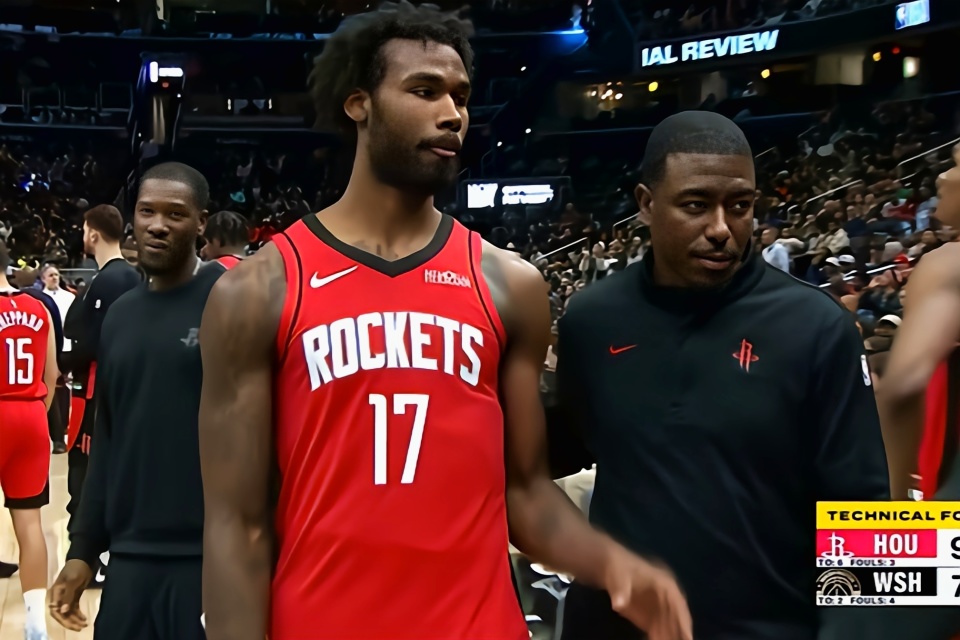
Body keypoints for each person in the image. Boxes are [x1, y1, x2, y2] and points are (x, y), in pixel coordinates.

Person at [197, 5, 691, 640]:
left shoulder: (510, 285)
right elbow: (236, 525)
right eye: (425, 91)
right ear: (359, 104)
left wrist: (615, 565)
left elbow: (525, 494)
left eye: (460, 96)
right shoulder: (258, 290)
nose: (453, 113)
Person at [549, 111, 889, 640]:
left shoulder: (818, 326)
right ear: (645, 203)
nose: (721, 229)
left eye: (740, 206)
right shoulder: (591, 319)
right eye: (695, 205)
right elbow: (556, 450)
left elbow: (863, 512)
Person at [49, 162, 223, 640]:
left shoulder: (228, 299)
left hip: (205, 561)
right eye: (147, 211)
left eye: (175, 213)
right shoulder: (121, 315)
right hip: (128, 558)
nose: (158, 225)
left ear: (201, 222)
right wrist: (83, 550)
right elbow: (108, 435)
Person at [868, 147, 960, 639]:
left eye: (957, 162)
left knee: (855, 613)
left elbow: (903, 388)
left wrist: (897, 509)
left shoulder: (948, 263)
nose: (943, 175)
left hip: (944, 511)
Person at [61, 205, 141, 537]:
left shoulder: (112, 279)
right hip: (117, 392)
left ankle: (86, 547)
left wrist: (60, 364)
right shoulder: (128, 276)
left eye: (84, 230)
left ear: (93, 233)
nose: (82, 236)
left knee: (85, 473)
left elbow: (95, 343)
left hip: (98, 394)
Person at [0, 239, 58, 640]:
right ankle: (36, 623)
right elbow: (51, 374)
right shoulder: (39, 307)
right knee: (30, 523)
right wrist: (37, 410)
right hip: (32, 414)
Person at [39, 264, 74, 454]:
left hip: (67, 346)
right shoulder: (39, 299)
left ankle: (65, 429)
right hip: (49, 348)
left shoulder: (69, 297)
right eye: (51, 275)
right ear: (43, 278)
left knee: (65, 389)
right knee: (51, 387)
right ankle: (56, 435)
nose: (54, 277)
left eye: (57, 274)